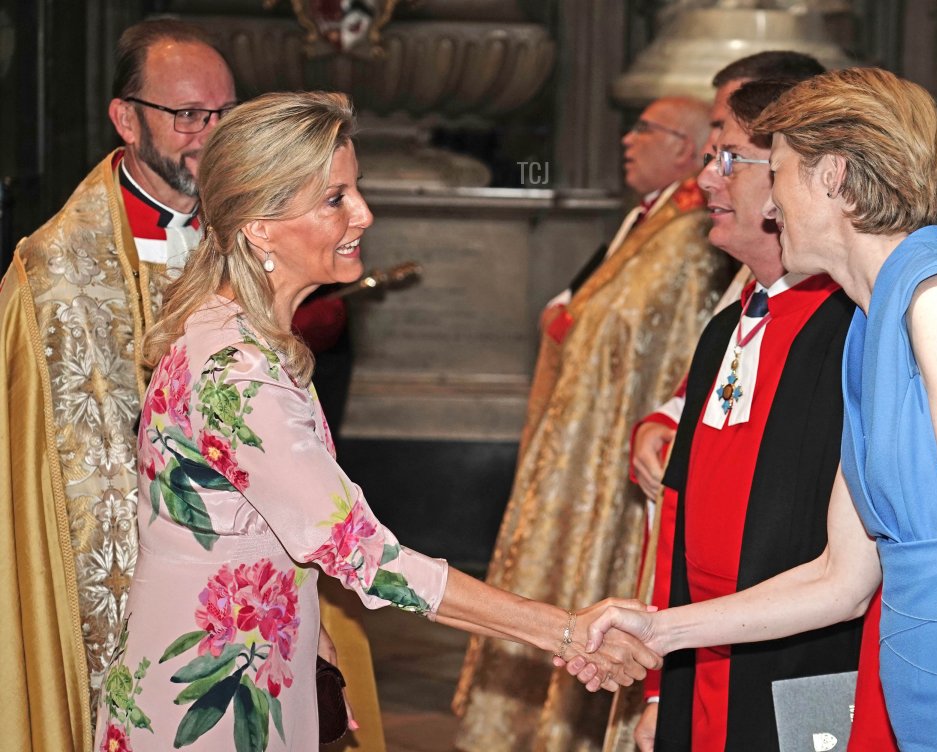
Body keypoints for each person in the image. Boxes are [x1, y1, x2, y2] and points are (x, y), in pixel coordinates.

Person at [90, 90, 658, 752]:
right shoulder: (237, 374)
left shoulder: (240, 335)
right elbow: (365, 556)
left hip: (227, 671)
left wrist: (309, 637)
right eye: (334, 199)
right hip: (209, 708)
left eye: (354, 190)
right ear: (260, 224)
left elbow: (259, 528)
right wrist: (560, 630)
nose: (364, 213)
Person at [582, 67, 937, 751]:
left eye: (775, 174)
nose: (769, 207)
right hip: (922, 699)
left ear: (832, 175)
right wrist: (660, 631)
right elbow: (839, 581)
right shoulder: (868, 326)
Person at [453, 95, 730, 752]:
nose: (628, 140)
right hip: (581, 445)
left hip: (614, 455)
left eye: (646, 130)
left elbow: (649, 338)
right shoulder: (650, 217)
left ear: (687, 152)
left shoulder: (690, 235)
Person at [0, 19, 237, 750]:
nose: (209, 134)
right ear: (126, 118)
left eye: (225, 115)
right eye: (187, 115)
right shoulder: (50, 275)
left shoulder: (252, 233)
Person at [629, 73, 868, 752]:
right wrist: (657, 683)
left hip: (797, 666)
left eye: (729, 159)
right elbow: (677, 509)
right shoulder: (726, 325)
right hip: (698, 654)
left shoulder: (850, 330)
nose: (707, 181)